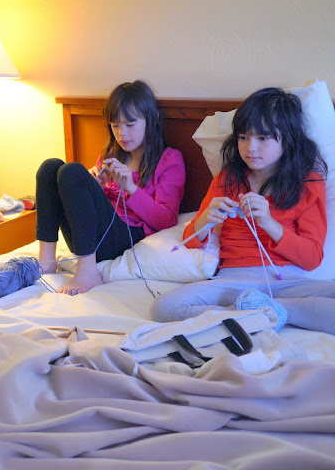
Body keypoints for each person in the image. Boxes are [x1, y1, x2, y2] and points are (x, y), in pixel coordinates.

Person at [150, 87, 335, 334]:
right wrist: (205, 219)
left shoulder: (308, 182)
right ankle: (261, 312)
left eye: (263, 138)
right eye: (243, 137)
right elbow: (190, 239)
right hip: (233, 282)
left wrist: (269, 222)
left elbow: (312, 258)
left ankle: (264, 311)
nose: (251, 148)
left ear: (288, 138)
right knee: (164, 308)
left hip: (288, 283)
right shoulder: (227, 179)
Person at [35, 80, 185, 294]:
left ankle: (88, 272)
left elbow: (167, 220)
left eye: (130, 124)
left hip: (126, 236)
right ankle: (47, 260)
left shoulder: (169, 160)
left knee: (72, 171)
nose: (122, 133)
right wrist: (98, 187)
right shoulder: (111, 155)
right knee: (50, 167)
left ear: (150, 120)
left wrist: (131, 189)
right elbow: (92, 207)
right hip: (89, 237)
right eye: (115, 125)